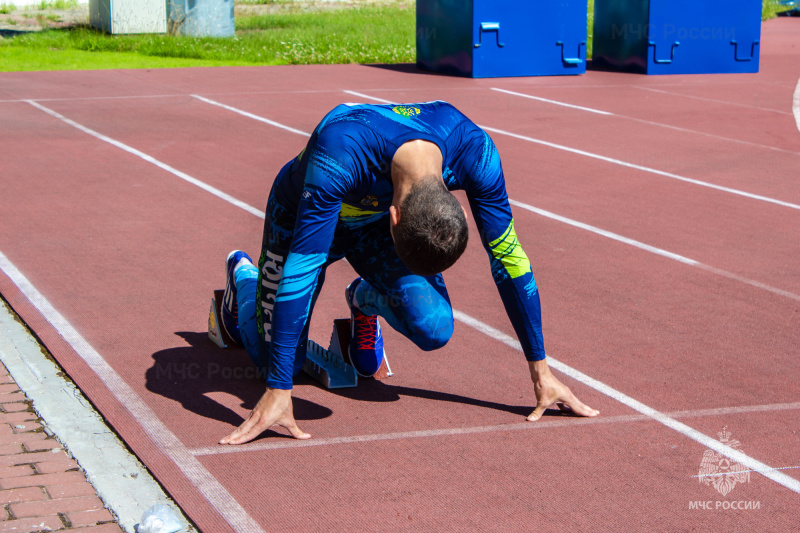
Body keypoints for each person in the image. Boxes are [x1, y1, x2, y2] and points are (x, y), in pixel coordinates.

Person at [217, 101, 599, 445]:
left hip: (376, 230)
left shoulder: (474, 151)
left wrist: (541, 371)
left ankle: (362, 298)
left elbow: (511, 260)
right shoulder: (342, 148)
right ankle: (244, 278)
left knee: (434, 326)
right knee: (275, 362)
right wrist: (279, 389)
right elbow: (301, 270)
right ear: (396, 217)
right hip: (304, 219)